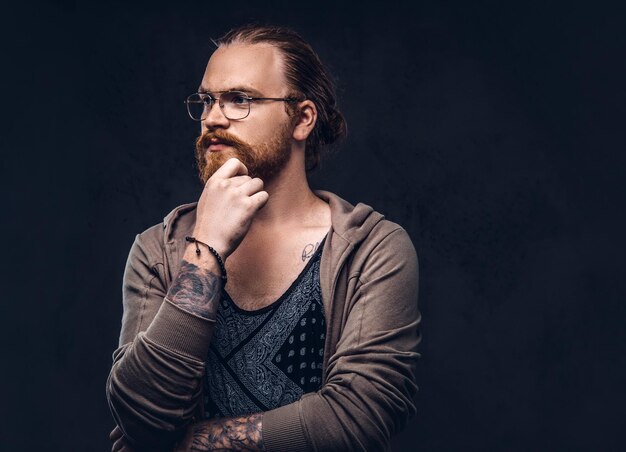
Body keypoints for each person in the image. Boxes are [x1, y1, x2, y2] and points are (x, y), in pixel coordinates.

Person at [106, 24, 421, 452]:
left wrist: (180, 446)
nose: (213, 118)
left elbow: (355, 419)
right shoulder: (159, 249)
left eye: (239, 99)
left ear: (303, 118)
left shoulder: (371, 249)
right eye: (206, 100)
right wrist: (206, 251)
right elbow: (141, 413)